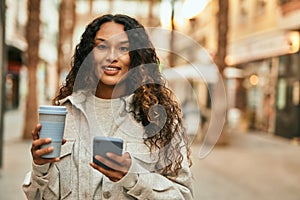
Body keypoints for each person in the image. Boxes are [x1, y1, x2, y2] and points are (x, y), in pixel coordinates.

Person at [23, 14, 194, 199]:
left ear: (136, 56)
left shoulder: (158, 118)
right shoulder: (65, 115)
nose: (112, 56)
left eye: (123, 48)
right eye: (102, 46)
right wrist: (40, 167)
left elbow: (183, 195)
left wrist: (133, 178)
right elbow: (38, 196)